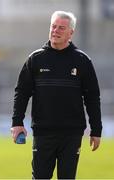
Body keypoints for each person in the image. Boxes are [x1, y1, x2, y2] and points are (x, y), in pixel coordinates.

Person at [11, 11, 102, 179]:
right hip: (43, 132)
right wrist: (17, 123)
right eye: (53, 26)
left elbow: (92, 97)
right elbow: (22, 92)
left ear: (71, 33)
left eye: (61, 28)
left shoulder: (82, 61)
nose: (55, 31)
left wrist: (96, 130)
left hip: (72, 133)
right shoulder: (35, 59)